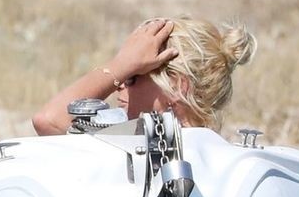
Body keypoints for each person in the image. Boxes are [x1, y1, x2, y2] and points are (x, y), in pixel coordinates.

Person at [32, 17, 257, 135]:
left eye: (132, 76)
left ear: (178, 87)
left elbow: (48, 120)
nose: (119, 86)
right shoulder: (214, 152)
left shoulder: (138, 147)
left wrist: (120, 65)